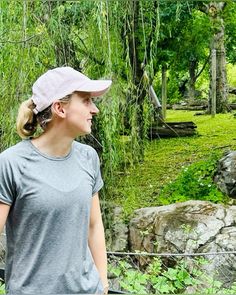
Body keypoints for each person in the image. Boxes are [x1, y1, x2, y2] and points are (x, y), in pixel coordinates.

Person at [0, 66, 112, 294]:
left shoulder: (88, 158)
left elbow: (94, 225)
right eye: (87, 101)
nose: (95, 110)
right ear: (60, 108)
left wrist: (103, 283)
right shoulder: (11, 163)